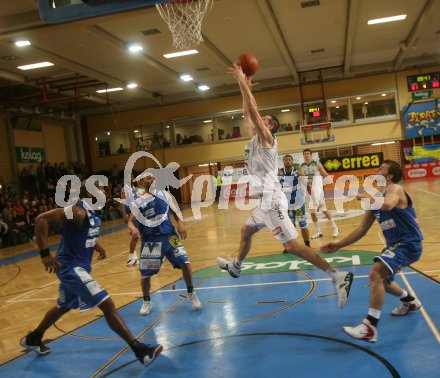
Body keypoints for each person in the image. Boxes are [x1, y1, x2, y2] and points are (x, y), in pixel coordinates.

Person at [216, 63, 353, 309]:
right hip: (264, 202)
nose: (259, 119)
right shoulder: (256, 137)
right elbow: (249, 112)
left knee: (292, 247)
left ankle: (337, 276)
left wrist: (241, 82)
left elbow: (254, 113)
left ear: (269, 127)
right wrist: (244, 86)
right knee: (246, 232)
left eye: (265, 119)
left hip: (272, 201)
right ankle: (236, 266)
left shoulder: (268, 140)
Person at [20, 183, 163, 366]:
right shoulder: (78, 211)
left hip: (78, 268)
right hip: (71, 269)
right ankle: (140, 351)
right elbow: (41, 219)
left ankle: (34, 337)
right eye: (100, 189)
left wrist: (98, 246)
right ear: (90, 192)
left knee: (63, 306)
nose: (104, 192)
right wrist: (44, 254)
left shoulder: (94, 215)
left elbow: (84, 234)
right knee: (107, 304)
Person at [321, 160, 423, 343]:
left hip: (408, 243)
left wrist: (364, 196)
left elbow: (388, 205)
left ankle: (369, 327)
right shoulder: (375, 198)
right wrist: (338, 245)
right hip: (395, 245)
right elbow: (361, 230)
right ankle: (410, 301)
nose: (377, 170)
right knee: (383, 281)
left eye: (381, 169)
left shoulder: (395, 189)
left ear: (389, 176)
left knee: (376, 273)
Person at [128, 172, 202, 315]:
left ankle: (191, 293)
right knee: (145, 275)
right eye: (149, 177)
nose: (153, 179)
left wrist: (181, 223)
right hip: (151, 241)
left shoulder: (165, 195)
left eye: (153, 177)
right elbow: (130, 221)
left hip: (170, 237)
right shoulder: (138, 202)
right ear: (141, 183)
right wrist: (133, 228)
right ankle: (146, 301)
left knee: (185, 262)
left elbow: (176, 212)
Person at [301, 149, 339, 239]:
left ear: (311, 155)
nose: (306, 155)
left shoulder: (317, 164)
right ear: (303, 156)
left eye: (308, 154)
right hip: (308, 190)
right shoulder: (302, 166)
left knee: (323, 209)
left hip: (317, 189)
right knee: (312, 212)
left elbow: (325, 173)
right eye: (305, 154)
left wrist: (332, 183)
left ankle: (335, 228)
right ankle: (318, 231)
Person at [279, 154, 310, 253]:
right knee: (289, 226)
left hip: (298, 204)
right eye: (286, 160)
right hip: (287, 205)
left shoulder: (298, 171)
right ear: (283, 162)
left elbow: (306, 182)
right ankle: (290, 246)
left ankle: (307, 245)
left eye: (289, 159)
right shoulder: (280, 172)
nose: (287, 161)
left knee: (303, 224)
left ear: (292, 162)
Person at [120, 174, 143, 266]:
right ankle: (131, 258)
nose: (132, 178)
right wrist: (124, 215)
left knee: (139, 236)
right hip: (131, 215)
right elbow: (122, 203)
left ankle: (134, 258)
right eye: (130, 176)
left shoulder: (135, 188)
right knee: (135, 236)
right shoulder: (125, 189)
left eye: (133, 176)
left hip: (138, 214)